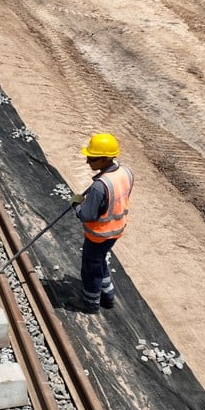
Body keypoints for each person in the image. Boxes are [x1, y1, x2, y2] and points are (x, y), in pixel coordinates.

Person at [69, 133, 134, 314]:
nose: (88, 161)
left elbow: (87, 215)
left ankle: (90, 303)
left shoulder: (100, 186)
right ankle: (108, 296)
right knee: (100, 261)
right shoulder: (126, 173)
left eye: (92, 158)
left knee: (91, 268)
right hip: (116, 230)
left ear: (105, 159)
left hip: (98, 235)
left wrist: (76, 204)